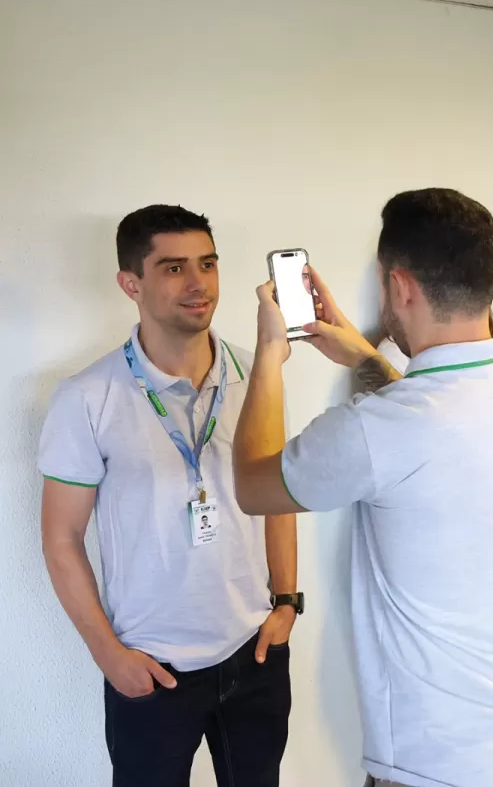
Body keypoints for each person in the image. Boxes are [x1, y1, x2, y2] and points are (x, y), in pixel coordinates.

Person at [231, 188, 493, 786]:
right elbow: (437, 425)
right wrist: (361, 356)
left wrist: (270, 353)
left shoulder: (382, 428)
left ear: (400, 286)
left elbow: (253, 485)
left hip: (447, 764)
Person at [38, 205, 299, 786]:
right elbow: (61, 540)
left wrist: (286, 603)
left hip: (253, 651)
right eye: (174, 268)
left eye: (208, 263)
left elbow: (277, 495)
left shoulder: (255, 374)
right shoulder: (87, 396)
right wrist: (109, 656)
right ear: (131, 283)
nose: (199, 283)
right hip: (152, 668)